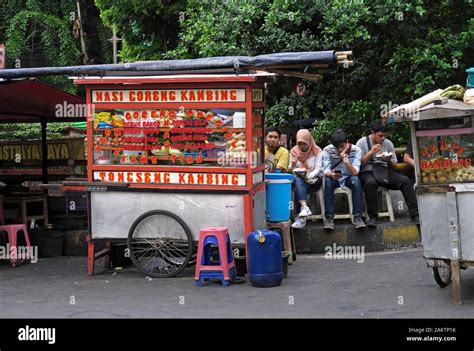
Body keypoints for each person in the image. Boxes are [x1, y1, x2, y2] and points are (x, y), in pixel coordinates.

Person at [356, 120, 419, 227]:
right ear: (373, 133)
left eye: (385, 136)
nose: (383, 138)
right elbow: (358, 164)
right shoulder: (361, 143)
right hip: (367, 171)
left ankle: (415, 214)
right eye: (380, 136)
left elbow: (394, 165)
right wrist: (371, 152)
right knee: (370, 183)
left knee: (405, 181)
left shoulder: (388, 143)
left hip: (384, 170)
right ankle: (373, 217)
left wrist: (387, 160)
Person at [322, 129, 366, 230]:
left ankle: (358, 216)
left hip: (348, 177)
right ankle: (329, 218)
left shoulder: (356, 150)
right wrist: (331, 175)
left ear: (347, 142)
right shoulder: (327, 150)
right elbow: (326, 170)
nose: (340, 150)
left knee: (356, 180)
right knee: (328, 182)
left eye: (342, 146)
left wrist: (345, 159)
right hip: (334, 178)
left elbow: (355, 172)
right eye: (337, 147)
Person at [290, 129, 324, 229]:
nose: (301, 146)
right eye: (299, 144)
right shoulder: (294, 151)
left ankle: (299, 219)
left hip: (314, 181)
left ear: (309, 141)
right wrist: (292, 165)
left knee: (298, 188)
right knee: (298, 182)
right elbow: (291, 170)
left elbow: (318, 168)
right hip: (301, 180)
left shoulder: (317, 151)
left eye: (304, 144)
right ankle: (304, 208)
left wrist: (308, 176)